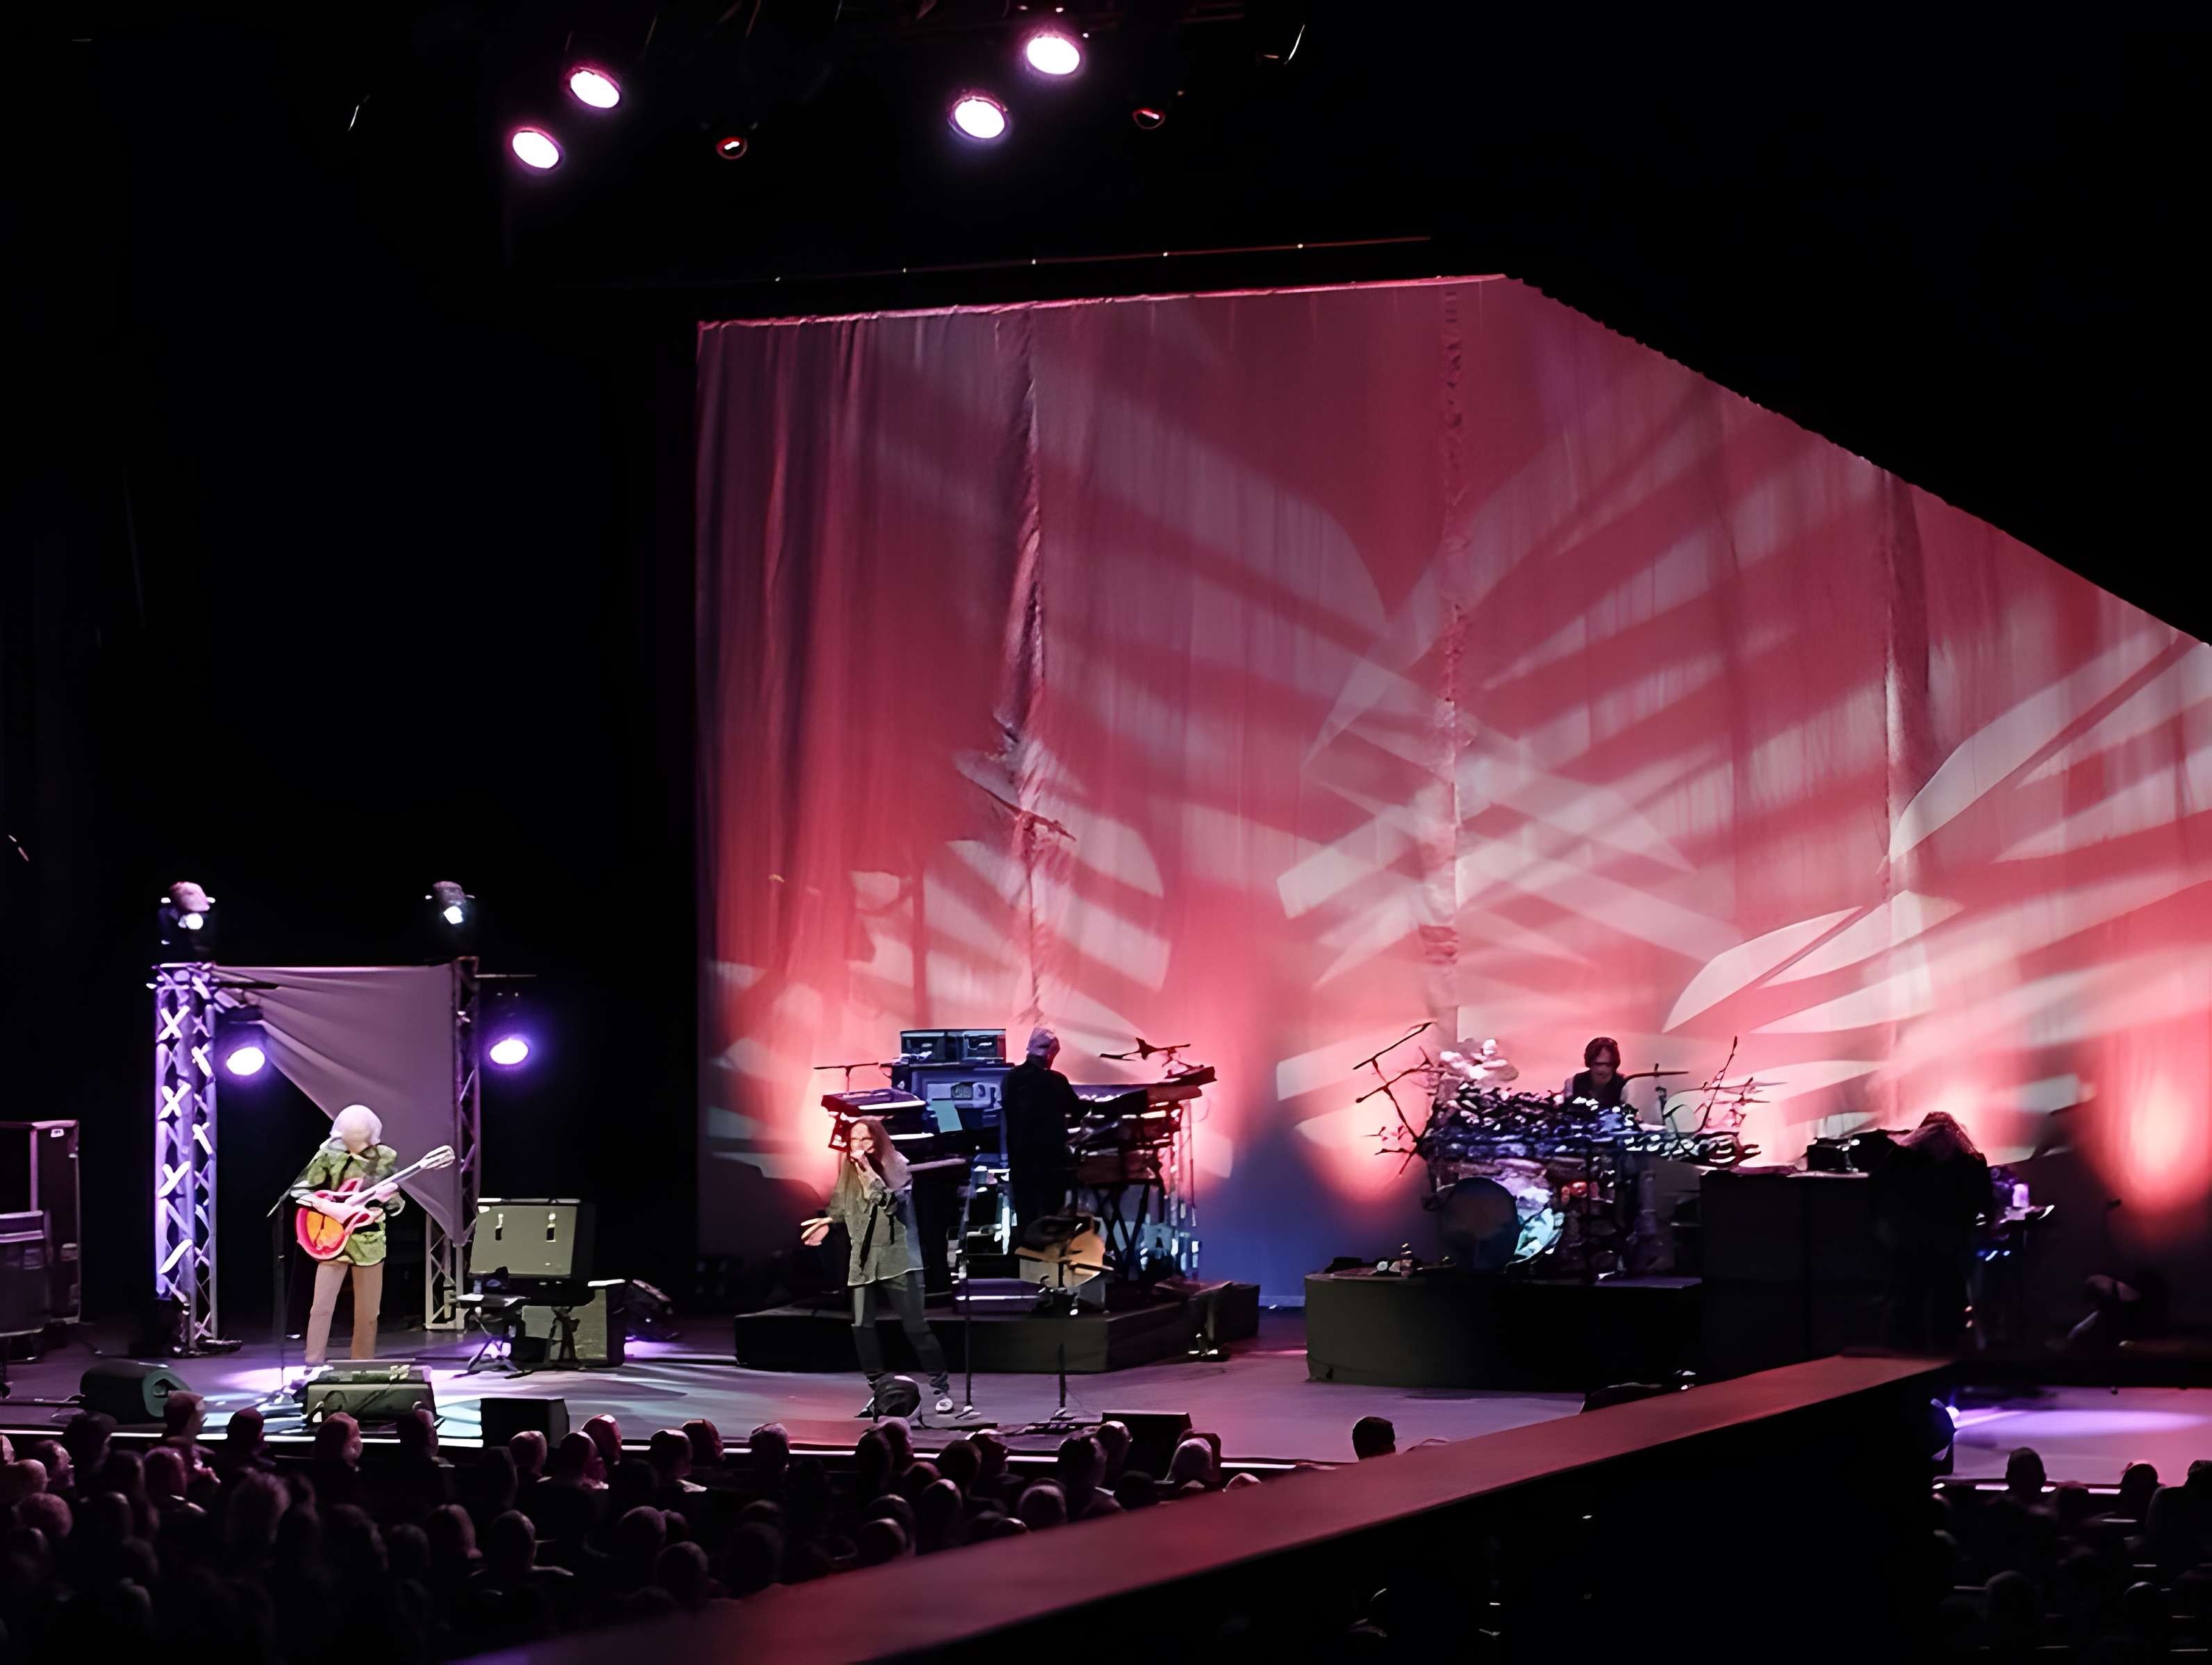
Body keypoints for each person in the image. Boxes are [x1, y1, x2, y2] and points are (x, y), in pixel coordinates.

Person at [801, 1116, 955, 1418]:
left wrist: (867, 1170)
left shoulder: (896, 1165)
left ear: (878, 1141)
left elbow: (888, 1202)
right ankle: (879, 1386)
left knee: (915, 1325)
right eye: (854, 1140)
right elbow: (843, 1205)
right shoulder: (847, 1167)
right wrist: (829, 1221)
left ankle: (941, 1388)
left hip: (898, 1259)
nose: (858, 1147)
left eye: (865, 1140)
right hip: (863, 1258)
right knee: (861, 1324)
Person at [289, 1104, 408, 1365]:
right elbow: (299, 1191)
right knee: (321, 1306)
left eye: (359, 1140)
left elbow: (397, 1206)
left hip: (369, 1240)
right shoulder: (329, 1155)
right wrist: (327, 1206)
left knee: (368, 1312)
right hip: (331, 1238)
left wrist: (389, 1198)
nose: (353, 1146)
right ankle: (313, 1363)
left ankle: (361, 1365)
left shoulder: (385, 1158)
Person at [1001, 1027, 1082, 1234]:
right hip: (1052, 1162)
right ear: (1050, 1054)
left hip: (1020, 1160)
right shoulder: (1057, 1081)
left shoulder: (1011, 1079)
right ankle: (1049, 1260)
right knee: (1051, 1215)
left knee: (1026, 1216)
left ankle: (1026, 1261)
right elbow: (1079, 1111)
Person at [1565, 1037, 1630, 1108]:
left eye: (1608, 1065)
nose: (1602, 1070)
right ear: (1590, 1063)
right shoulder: (1573, 1083)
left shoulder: (1626, 1086)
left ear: (1614, 1065)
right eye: (1597, 1064)